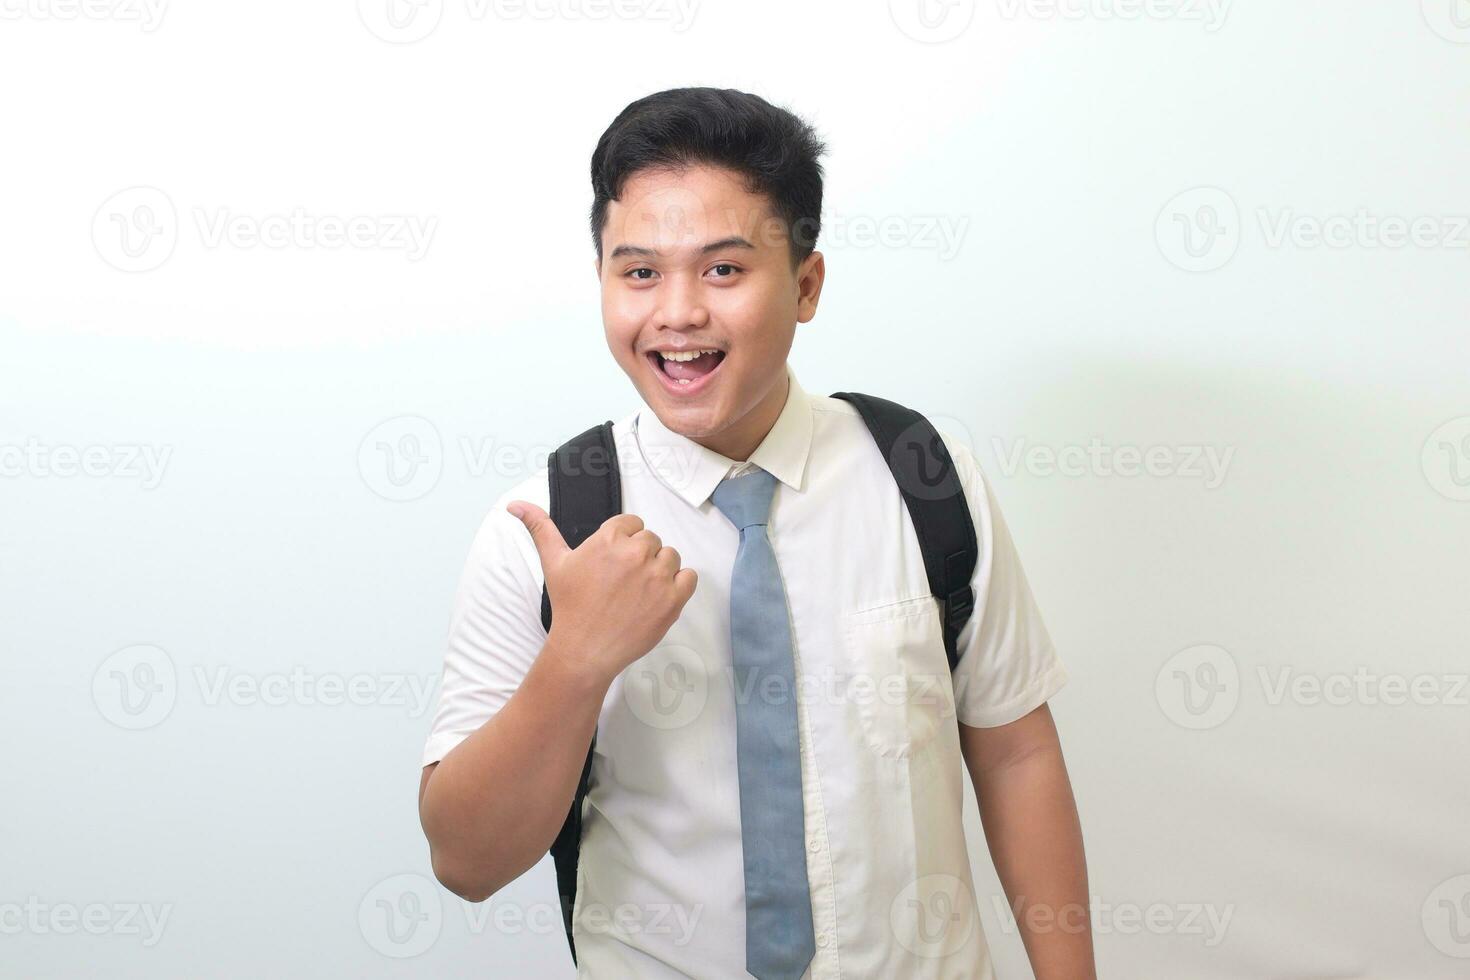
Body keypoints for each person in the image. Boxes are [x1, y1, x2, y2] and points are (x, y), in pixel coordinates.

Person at [417, 86, 1096, 979]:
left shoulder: (923, 477)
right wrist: (576, 658)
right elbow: (466, 863)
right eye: (640, 272)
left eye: (724, 270)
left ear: (806, 284)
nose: (678, 313)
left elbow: (1015, 753)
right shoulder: (546, 529)